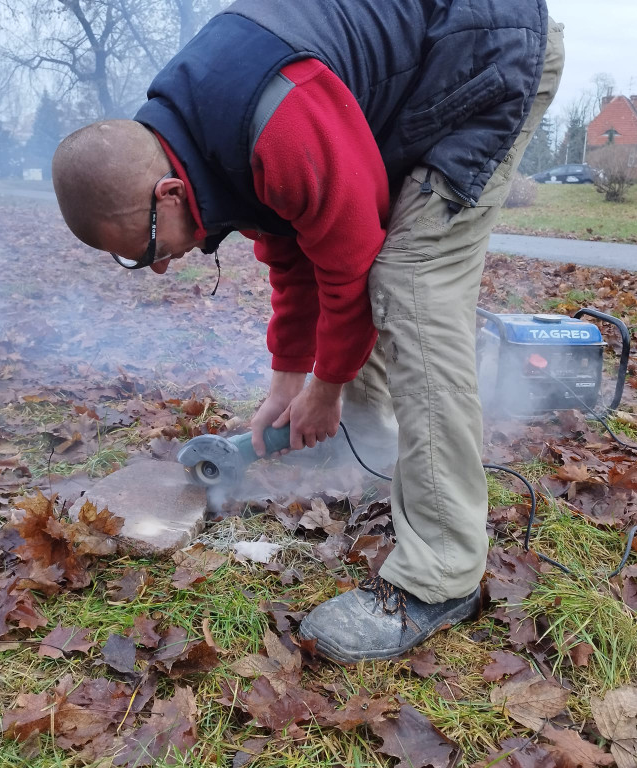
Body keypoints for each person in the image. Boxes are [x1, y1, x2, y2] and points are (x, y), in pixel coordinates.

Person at [52, 0, 564, 663]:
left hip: (484, 56)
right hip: (426, 70)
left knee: (410, 281)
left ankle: (442, 574)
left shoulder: (276, 122)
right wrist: (286, 382)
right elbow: (293, 245)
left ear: (170, 195)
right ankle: (378, 445)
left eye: (150, 249)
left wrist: (325, 390)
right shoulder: (198, 130)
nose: (159, 267)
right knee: (378, 270)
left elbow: (348, 258)